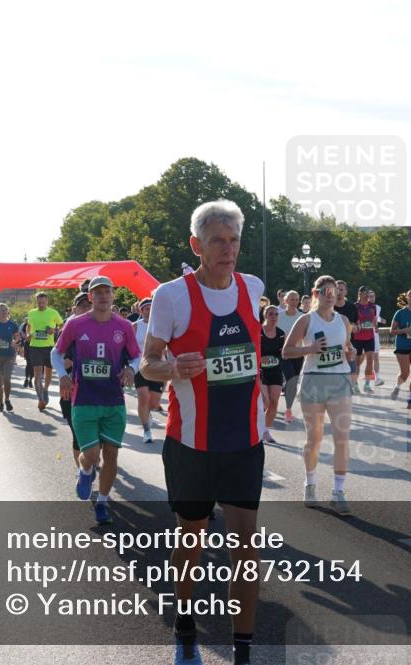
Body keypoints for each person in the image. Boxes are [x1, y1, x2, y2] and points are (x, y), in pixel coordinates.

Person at [140, 200, 265, 665]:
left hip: (244, 443)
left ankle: (244, 649)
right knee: (190, 538)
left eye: (233, 241)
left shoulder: (253, 288)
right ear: (197, 244)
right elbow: (148, 364)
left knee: (245, 544)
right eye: (217, 241)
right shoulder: (172, 296)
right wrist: (172, 367)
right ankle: (185, 622)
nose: (228, 250)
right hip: (191, 443)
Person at [51, 276, 138, 525]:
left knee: (111, 454)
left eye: (107, 292)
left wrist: (132, 369)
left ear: (113, 295)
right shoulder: (76, 324)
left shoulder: (123, 327)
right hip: (84, 399)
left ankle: (102, 502)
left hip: (113, 400)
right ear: (90, 297)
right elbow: (56, 353)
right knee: (91, 455)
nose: (102, 296)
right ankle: (85, 470)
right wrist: (63, 375)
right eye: (97, 292)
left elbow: (136, 356)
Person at [283, 274, 356, 516]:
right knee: (314, 438)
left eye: (334, 292)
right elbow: (287, 351)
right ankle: (310, 484)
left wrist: (351, 352)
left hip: (339, 381)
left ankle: (338, 492)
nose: (330, 296)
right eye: (325, 292)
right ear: (316, 294)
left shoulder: (344, 320)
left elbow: (347, 349)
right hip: (313, 381)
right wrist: (310, 349)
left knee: (341, 438)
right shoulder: (306, 320)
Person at [60, 292, 93, 466]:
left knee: (96, 437)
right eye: (82, 306)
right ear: (74, 309)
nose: (87, 309)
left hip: (99, 391)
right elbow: (59, 361)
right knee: (78, 435)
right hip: (73, 391)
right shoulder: (68, 330)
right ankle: (82, 473)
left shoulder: (105, 328)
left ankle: (90, 460)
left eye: (89, 305)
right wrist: (76, 360)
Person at [133, 297, 165, 445]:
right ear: (141, 310)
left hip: (157, 367)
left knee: (153, 403)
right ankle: (146, 430)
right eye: (146, 308)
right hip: (140, 367)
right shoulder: (135, 326)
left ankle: (149, 413)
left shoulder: (162, 325)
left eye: (152, 308)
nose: (150, 311)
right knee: (143, 396)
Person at [28, 292, 64, 411]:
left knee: (48, 373)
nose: (41, 304)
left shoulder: (53, 313)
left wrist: (54, 330)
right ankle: (40, 399)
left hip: (49, 347)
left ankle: (45, 389)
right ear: (36, 302)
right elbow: (29, 326)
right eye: (39, 302)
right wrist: (28, 334)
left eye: (43, 302)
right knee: (37, 374)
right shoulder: (31, 313)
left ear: (47, 301)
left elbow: (62, 326)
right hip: (35, 346)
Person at [259, 305, 286, 443]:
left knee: (274, 402)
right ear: (265, 315)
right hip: (260, 370)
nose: (274, 317)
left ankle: (265, 430)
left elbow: (283, 353)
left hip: (275, 369)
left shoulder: (281, 334)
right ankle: (257, 427)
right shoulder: (258, 331)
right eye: (271, 314)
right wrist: (259, 359)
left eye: (276, 314)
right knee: (265, 401)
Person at [278, 291, 304, 425]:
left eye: (296, 300)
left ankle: (288, 405)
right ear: (285, 301)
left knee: (293, 380)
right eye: (291, 300)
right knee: (291, 379)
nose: (294, 302)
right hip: (284, 354)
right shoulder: (279, 316)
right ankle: (288, 410)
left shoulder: (302, 317)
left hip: (298, 354)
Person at [333, 280, 360, 392]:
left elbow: (358, 326)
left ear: (346, 292)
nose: (339, 292)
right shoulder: (329, 307)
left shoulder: (352, 307)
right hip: (332, 345)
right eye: (336, 289)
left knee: (353, 370)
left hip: (348, 344)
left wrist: (355, 328)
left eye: (341, 289)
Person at [351, 286, 379, 394]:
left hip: (369, 337)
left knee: (370, 361)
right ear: (360, 293)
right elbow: (351, 321)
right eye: (365, 293)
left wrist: (375, 326)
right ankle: (355, 384)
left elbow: (374, 319)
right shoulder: (355, 306)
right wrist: (357, 325)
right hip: (357, 338)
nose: (367, 295)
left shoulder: (373, 306)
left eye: (368, 293)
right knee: (357, 363)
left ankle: (367, 385)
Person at [368, 290, 386, 387]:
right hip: (362, 335)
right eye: (369, 296)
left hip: (374, 335)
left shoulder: (377, 307)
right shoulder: (359, 307)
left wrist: (381, 320)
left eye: (373, 296)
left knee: (375, 356)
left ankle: (377, 378)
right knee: (361, 358)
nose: (371, 298)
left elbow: (376, 317)